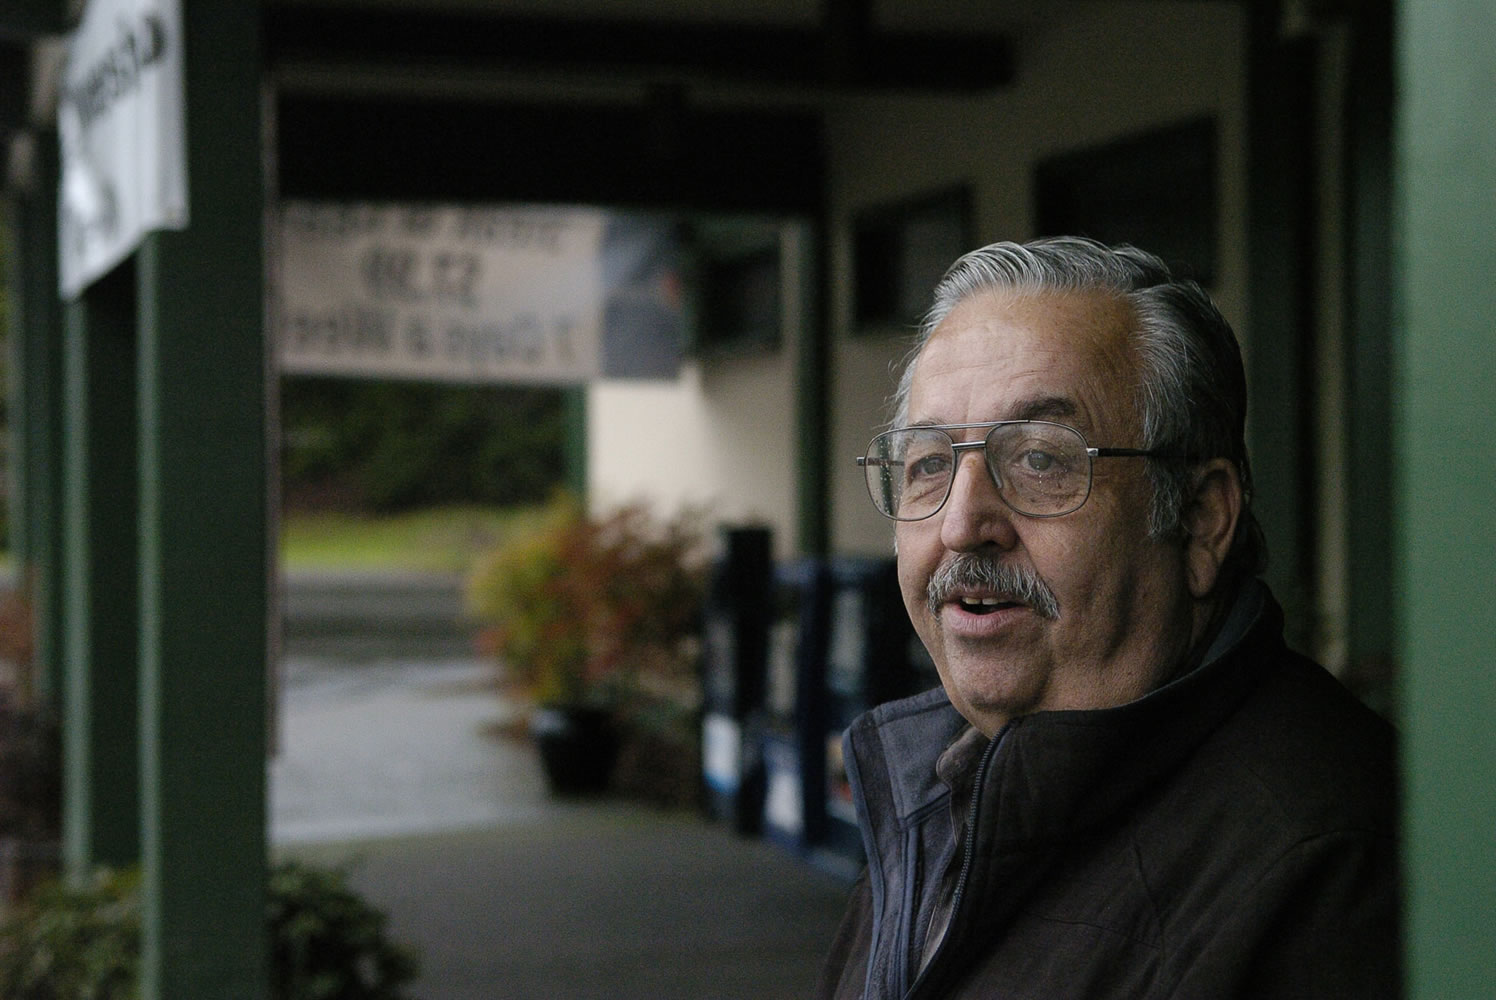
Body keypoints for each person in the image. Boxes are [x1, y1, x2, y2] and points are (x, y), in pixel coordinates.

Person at [817, 237, 1401, 999]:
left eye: (1039, 459)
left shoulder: (1326, 865)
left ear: (1198, 520)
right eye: (929, 462)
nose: (962, 523)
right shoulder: (938, 790)